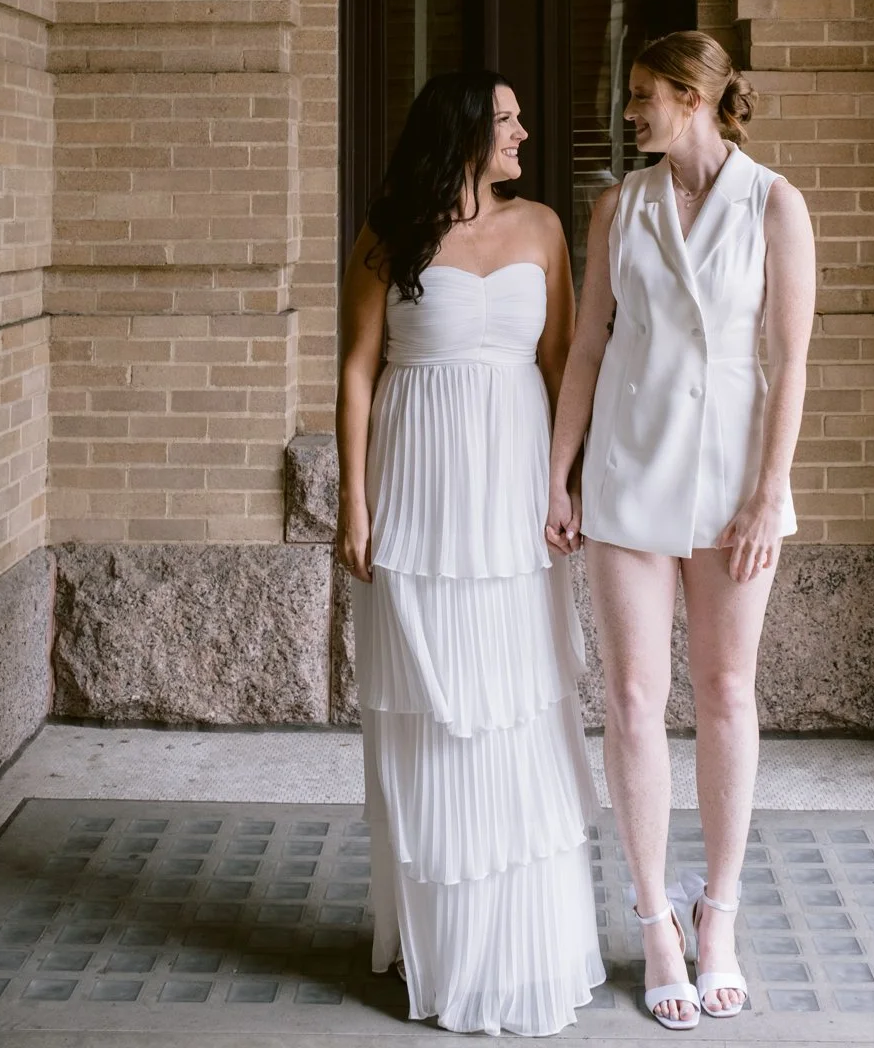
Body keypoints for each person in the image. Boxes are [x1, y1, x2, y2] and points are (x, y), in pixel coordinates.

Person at [547, 31, 814, 1030]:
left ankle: (719, 914)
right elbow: (584, 348)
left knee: (728, 689)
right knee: (628, 694)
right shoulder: (619, 207)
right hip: (625, 473)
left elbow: (788, 360)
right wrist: (555, 472)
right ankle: (653, 912)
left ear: (693, 96)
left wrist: (765, 490)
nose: (630, 111)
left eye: (643, 94)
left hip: (736, 482)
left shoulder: (774, 203)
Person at [336, 71, 604, 1036]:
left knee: (516, 708)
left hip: (513, 508)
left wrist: (565, 486)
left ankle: (520, 939)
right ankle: (441, 941)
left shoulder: (540, 229)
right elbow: (358, 375)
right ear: (460, 132)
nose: (523, 131)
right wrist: (355, 505)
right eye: (506, 119)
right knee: (433, 715)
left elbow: (565, 364)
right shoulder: (387, 236)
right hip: (420, 501)